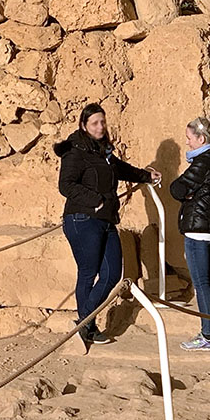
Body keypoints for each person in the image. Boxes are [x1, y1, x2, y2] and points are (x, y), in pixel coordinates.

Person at [55, 103, 161, 344]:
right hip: (82, 219)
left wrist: (146, 176)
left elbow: (119, 169)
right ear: (84, 125)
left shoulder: (103, 150)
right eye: (94, 123)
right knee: (88, 272)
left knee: (112, 273)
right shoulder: (75, 151)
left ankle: (84, 322)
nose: (100, 126)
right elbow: (66, 185)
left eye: (102, 122)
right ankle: (87, 325)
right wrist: (97, 200)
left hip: (105, 219)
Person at [170, 116, 210, 351]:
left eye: (189, 138)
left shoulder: (204, 161)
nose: (187, 143)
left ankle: (208, 336)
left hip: (198, 227)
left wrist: (188, 195)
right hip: (208, 226)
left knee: (201, 282)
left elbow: (177, 188)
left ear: (201, 138)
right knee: (207, 282)